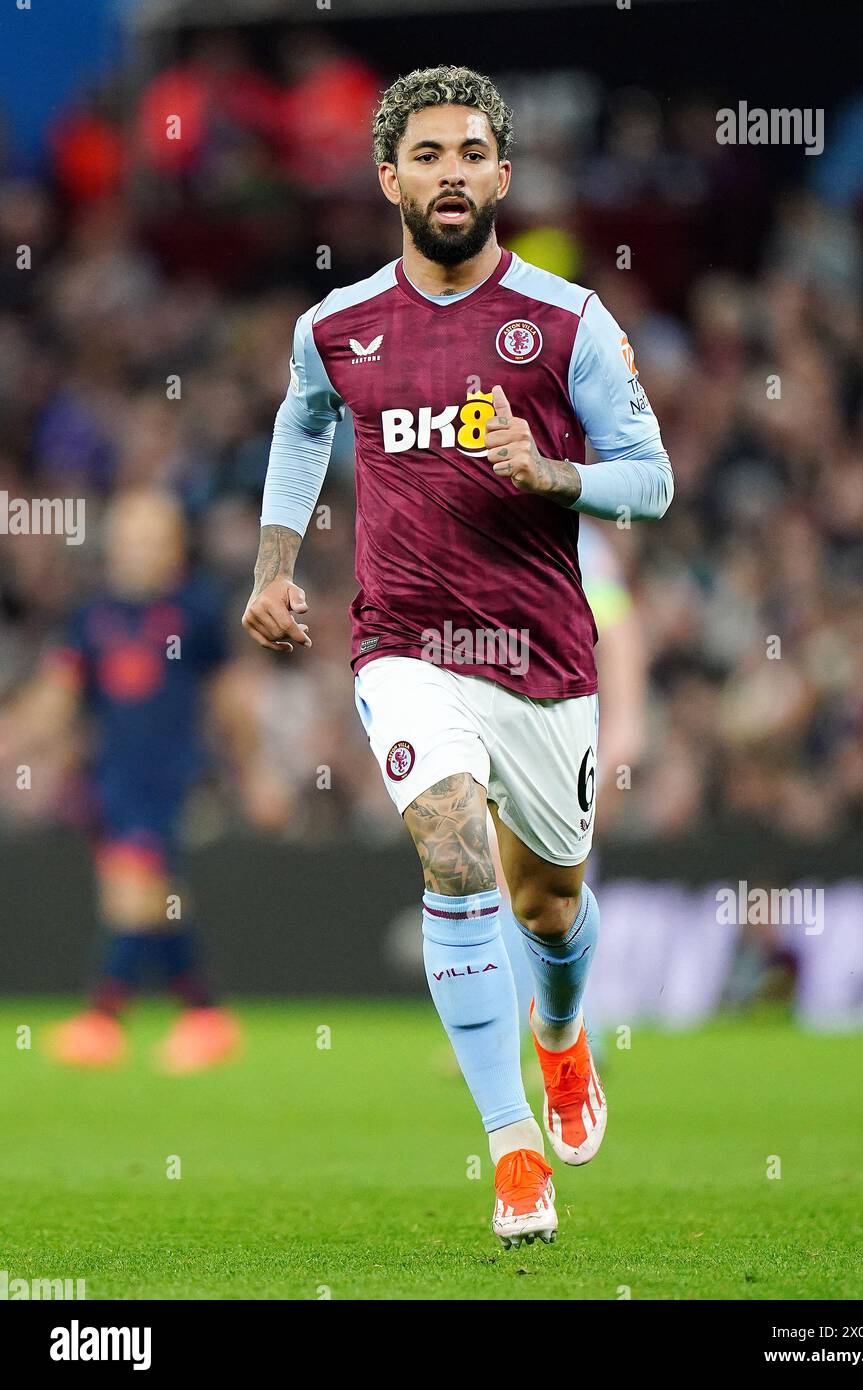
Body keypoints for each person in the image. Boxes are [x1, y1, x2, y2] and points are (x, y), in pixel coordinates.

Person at [242, 65, 673, 1248]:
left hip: (545, 655)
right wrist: (276, 562)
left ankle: (562, 1038)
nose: (450, 173)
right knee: (451, 851)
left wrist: (557, 474)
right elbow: (303, 417)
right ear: (389, 177)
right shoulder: (337, 328)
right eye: (426, 154)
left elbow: (656, 477)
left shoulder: (570, 321)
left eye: (471, 153)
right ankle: (510, 1145)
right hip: (406, 646)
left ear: (502, 174)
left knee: (550, 903)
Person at [1, 489, 246, 1072]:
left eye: (154, 538)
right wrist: (13, 737)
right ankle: (205, 1014)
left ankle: (102, 1018)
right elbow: (59, 696)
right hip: (111, 777)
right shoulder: (94, 616)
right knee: (157, 899)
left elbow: (228, 699)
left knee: (131, 887)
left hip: (173, 774)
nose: (141, 550)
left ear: (175, 546)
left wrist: (251, 769)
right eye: (132, 538)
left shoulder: (197, 609)